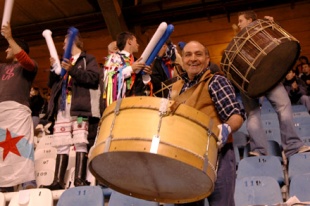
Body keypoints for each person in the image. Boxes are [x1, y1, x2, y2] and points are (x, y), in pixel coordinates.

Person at [170, 41, 245, 206]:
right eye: (188, 55)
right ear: (182, 60)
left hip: (217, 156)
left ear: (207, 59)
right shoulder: (177, 87)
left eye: (198, 54)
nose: (193, 59)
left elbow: (235, 115)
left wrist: (226, 128)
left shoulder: (216, 81)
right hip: (185, 157)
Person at [237, 10, 310, 157]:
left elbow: (281, 43)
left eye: (241, 21)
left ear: (251, 20)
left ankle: (273, 149)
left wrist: (272, 25)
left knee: (265, 111)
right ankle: (275, 148)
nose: (238, 24)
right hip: (251, 80)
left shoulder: (262, 31)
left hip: (267, 77)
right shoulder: (239, 41)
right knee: (257, 113)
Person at [40, 31, 101, 190]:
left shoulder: (88, 59)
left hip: (79, 106)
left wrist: (72, 69)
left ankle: (80, 179)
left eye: (66, 42)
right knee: (62, 143)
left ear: (76, 42)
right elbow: (51, 85)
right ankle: (58, 180)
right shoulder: (62, 62)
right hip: (62, 106)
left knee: (80, 141)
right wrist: (54, 68)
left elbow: (94, 79)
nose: (63, 45)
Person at [0, 22, 37, 192]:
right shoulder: (2, 68)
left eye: (8, 48)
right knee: (3, 152)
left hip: (17, 110)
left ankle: (27, 181)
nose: (6, 50)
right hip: (1, 112)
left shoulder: (29, 66)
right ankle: (5, 185)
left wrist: (9, 37)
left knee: (22, 144)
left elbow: (26, 61)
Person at [103, 31, 152, 106]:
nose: (138, 44)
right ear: (129, 41)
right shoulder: (114, 58)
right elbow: (111, 78)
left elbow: (141, 85)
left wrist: (146, 74)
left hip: (139, 103)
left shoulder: (136, 60)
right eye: (136, 41)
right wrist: (131, 69)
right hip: (122, 105)